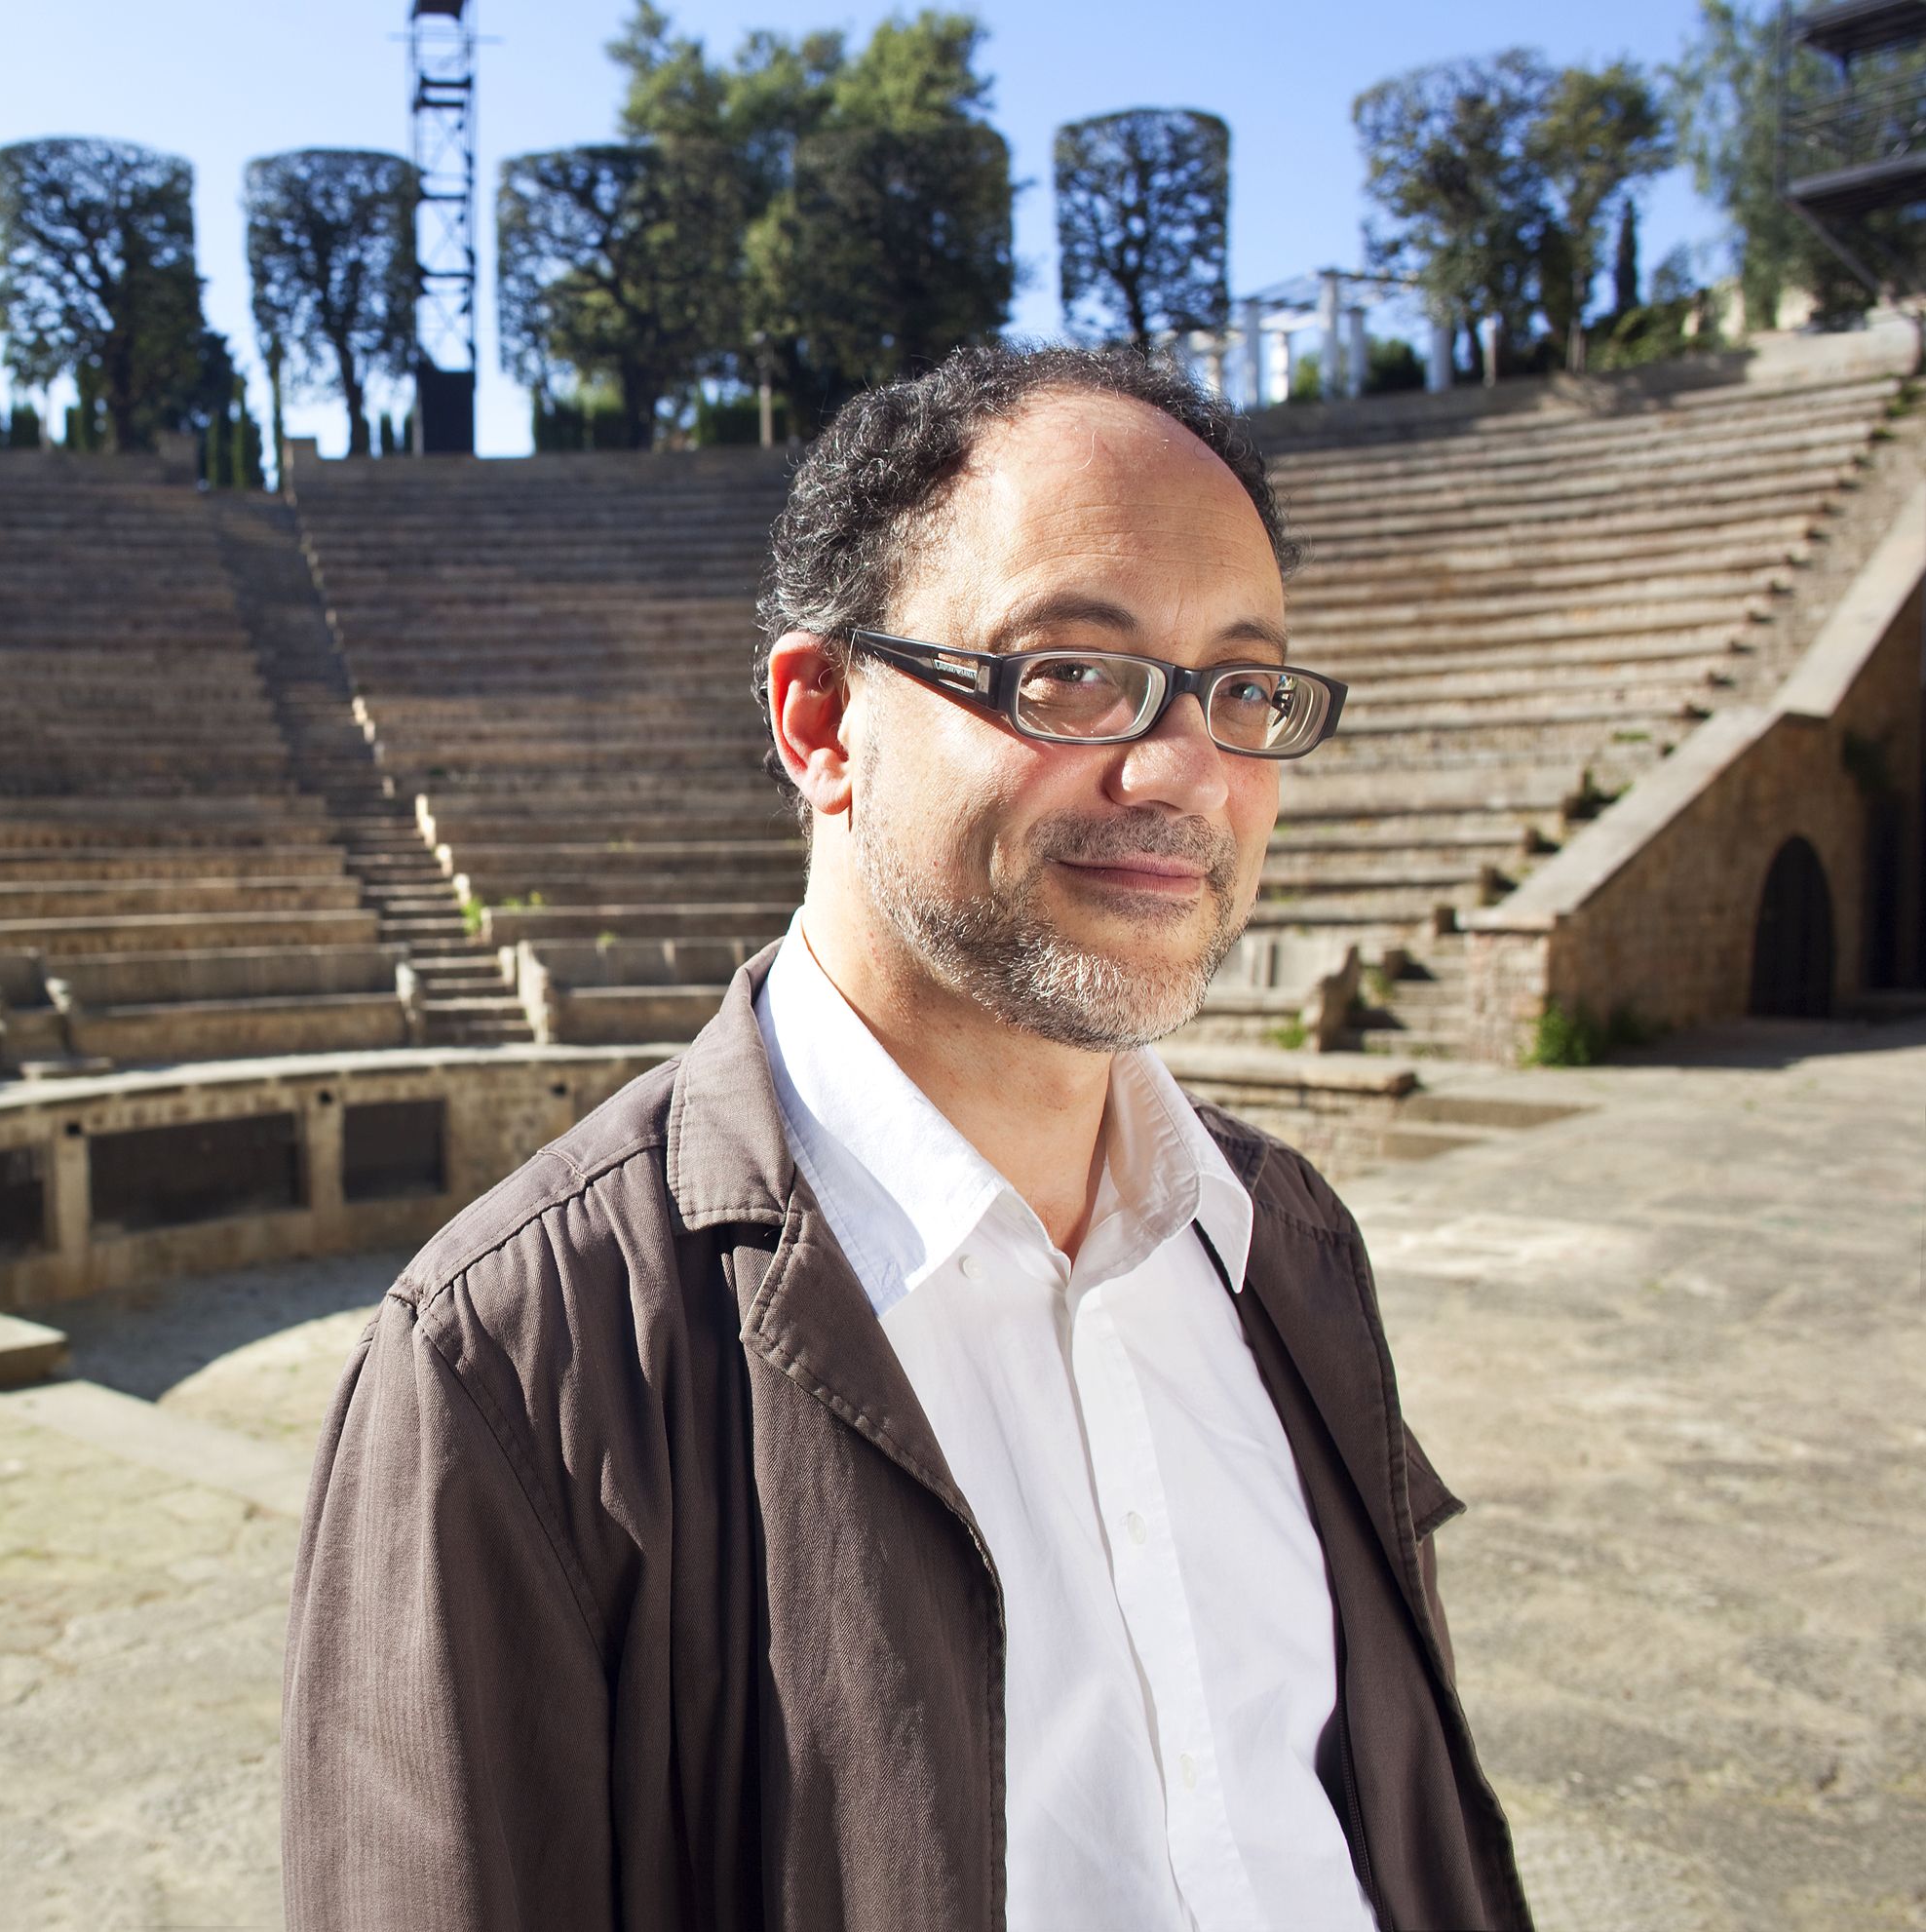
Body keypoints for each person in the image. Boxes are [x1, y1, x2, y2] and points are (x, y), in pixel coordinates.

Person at [281, 344, 1526, 1931]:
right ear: (820, 721)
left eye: (1240, 687)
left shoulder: (1285, 1241)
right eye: (1066, 671)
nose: (1183, 775)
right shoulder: (510, 1362)